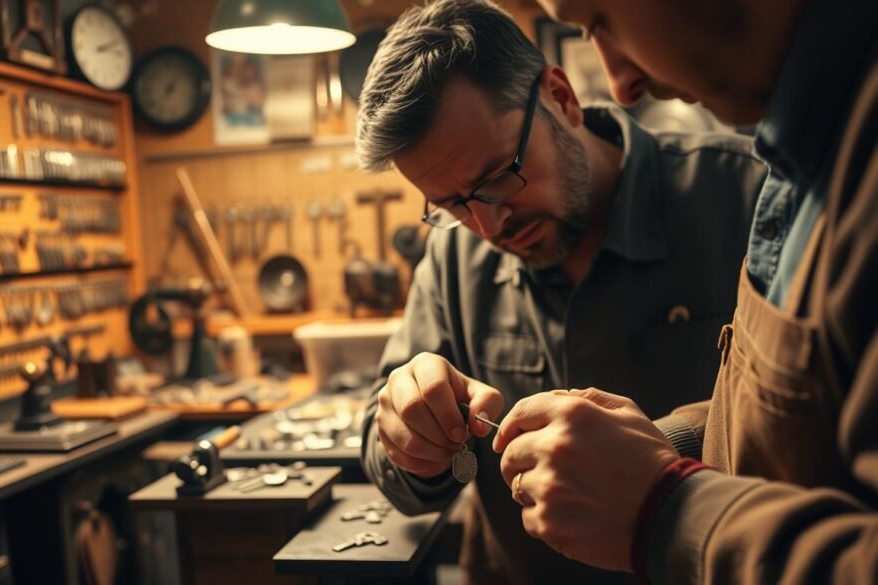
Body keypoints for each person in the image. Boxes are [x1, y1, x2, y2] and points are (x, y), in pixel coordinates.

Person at [353, 1, 767, 582]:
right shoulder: (454, 254)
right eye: (450, 206)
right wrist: (407, 438)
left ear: (561, 97)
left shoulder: (747, 196)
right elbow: (386, 459)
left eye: (497, 178)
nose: (488, 227)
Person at [494, 0, 878, 583]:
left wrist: (663, 509)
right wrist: (656, 446)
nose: (621, 85)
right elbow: (805, 409)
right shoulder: (802, 142)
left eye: (600, 20)